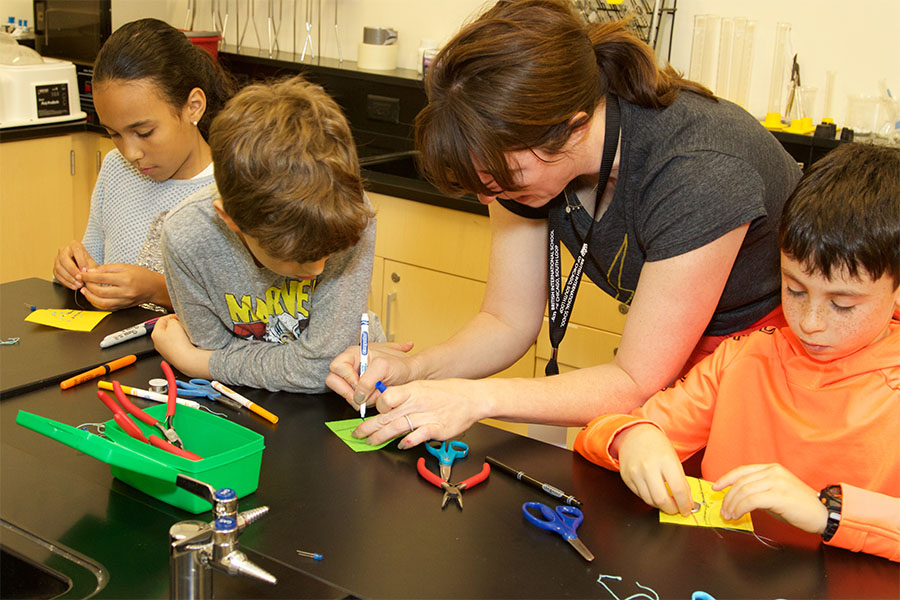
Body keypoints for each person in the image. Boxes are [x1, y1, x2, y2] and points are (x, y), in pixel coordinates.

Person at [327, 0, 801, 448]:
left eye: (498, 180)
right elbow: (506, 320)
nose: (488, 196)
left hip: (781, 360)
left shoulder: (698, 171)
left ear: (572, 128)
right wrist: (419, 368)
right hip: (671, 356)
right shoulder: (520, 159)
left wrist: (474, 398)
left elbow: (634, 382)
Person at [575, 143, 900, 562]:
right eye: (795, 290)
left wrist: (828, 514)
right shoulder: (744, 359)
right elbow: (601, 433)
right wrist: (632, 437)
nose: (810, 322)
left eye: (843, 304)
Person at [152, 75, 381, 393]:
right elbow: (212, 344)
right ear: (230, 219)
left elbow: (324, 368)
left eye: (326, 253)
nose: (316, 269)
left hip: (347, 396)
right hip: (243, 400)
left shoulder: (349, 213)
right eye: (296, 258)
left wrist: (197, 363)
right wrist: (302, 362)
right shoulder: (186, 237)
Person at [52, 18, 236, 311]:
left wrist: (158, 290)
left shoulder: (234, 188)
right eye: (113, 134)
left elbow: (247, 309)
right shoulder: (115, 168)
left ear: (193, 106)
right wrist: (73, 269)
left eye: (144, 132)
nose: (130, 152)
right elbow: (94, 260)